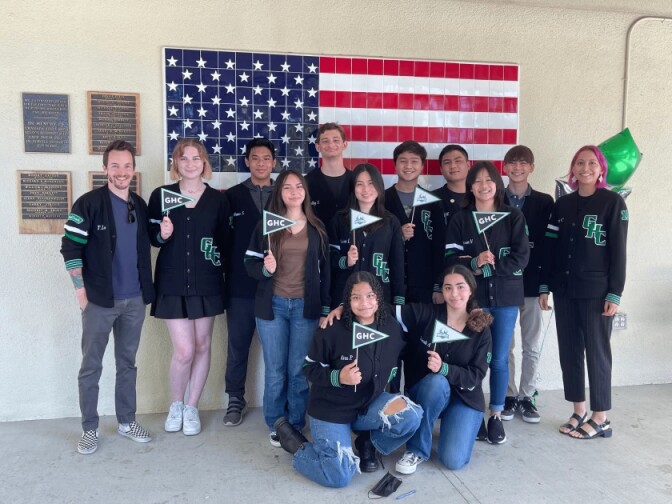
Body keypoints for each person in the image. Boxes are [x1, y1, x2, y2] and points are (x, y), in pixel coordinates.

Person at [273, 272, 422, 488]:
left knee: (412, 415)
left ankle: (367, 443)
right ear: (347, 300)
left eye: (370, 296)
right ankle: (298, 447)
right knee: (341, 476)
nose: (364, 303)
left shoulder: (391, 326)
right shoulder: (331, 328)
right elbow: (308, 368)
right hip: (331, 411)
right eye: (356, 298)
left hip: (367, 406)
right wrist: (338, 376)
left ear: (378, 297)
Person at [61, 140, 155, 454]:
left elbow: (148, 242)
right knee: (91, 367)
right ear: (104, 169)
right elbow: (70, 247)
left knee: (127, 364)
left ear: (133, 169)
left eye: (127, 165)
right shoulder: (87, 204)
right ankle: (90, 428)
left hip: (135, 300)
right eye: (114, 165)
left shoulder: (139, 204)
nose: (121, 171)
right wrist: (80, 291)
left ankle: (127, 422)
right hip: (100, 301)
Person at [539, 145, 627, 440]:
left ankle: (600, 417)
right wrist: (544, 286)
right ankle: (578, 410)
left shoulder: (612, 203)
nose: (585, 167)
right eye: (579, 162)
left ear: (601, 169)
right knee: (570, 352)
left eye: (592, 163)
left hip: (596, 292)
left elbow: (619, 252)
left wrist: (614, 293)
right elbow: (550, 248)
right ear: (572, 169)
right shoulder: (562, 205)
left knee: (597, 353)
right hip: (564, 291)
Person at [148, 138, 229, 436]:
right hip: (172, 281)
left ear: (204, 162)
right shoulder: (161, 195)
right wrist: (162, 234)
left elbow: (224, 243)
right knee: (183, 350)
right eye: (184, 158)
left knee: (203, 345)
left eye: (196, 158)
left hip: (206, 282)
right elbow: (151, 238)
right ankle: (176, 404)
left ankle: (192, 407)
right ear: (176, 163)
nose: (191, 163)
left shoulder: (218, 200)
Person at [445, 161, 529, 444]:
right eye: (477, 180)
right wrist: (474, 263)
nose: (483, 185)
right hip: (473, 300)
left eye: (489, 179)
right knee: (472, 357)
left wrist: (493, 267)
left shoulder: (513, 216)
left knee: (500, 358)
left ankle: (496, 414)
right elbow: (449, 259)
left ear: (497, 184)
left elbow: (521, 257)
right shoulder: (460, 218)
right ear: (470, 186)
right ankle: (473, 412)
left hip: (506, 299)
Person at [245, 169, 331, 447]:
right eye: (287, 188)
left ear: (305, 192)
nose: (294, 192)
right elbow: (249, 264)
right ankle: (276, 423)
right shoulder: (267, 225)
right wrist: (265, 270)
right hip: (273, 307)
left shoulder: (316, 227)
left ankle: (295, 423)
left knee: (298, 370)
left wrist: (325, 307)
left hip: (305, 308)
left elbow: (326, 272)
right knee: (275, 370)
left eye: (299, 187)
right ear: (279, 193)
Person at [394, 265, 492, 474]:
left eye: (460, 287)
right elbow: (385, 311)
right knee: (436, 382)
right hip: (430, 391)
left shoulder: (481, 329)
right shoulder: (428, 313)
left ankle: (456, 423)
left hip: (464, 397)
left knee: (452, 460)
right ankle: (416, 450)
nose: (454, 294)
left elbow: (476, 376)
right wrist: (344, 308)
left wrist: (444, 368)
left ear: (471, 290)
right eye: (448, 288)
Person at [222, 138, 275, 427]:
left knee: (276, 352)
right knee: (238, 346)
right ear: (247, 161)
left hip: (277, 289)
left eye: (266, 158)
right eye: (255, 158)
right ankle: (235, 399)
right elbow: (224, 242)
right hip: (240, 288)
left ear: (274, 162)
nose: (261, 163)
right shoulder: (231, 197)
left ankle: (277, 403)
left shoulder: (287, 195)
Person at [501, 145, 554, 424]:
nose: (517, 168)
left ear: (532, 167)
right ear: (505, 167)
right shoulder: (495, 198)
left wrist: (545, 286)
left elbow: (548, 247)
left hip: (533, 285)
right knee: (505, 346)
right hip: (504, 285)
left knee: (531, 345)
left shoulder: (545, 202)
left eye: (523, 163)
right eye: (512, 163)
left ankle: (527, 395)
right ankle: (508, 395)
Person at [328, 163, 405, 307]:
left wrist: (398, 302)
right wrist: (346, 261)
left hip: (380, 298)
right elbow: (328, 259)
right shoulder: (339, 220)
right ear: (352, 188)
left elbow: (397, 265)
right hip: (344, 299)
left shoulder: (391, 221)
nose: (366, 190)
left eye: (371, 183)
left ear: (379, 186)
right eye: (359, 184)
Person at [384, 141, 445, 304]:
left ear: (422, 166)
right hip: (389, 284)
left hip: (424, 284)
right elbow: (372, 242)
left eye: (414, 161)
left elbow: (440, 246)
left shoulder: (433, 202)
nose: (408, 166)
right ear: (395, 165)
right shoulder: (382, 200)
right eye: (403, 161)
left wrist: (438, 286)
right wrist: (398, 236)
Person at [305, 122, 353, 229]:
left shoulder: (356, 181)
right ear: (318, 147)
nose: (331, 145)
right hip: (318, 243)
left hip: (352, 244)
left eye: (336, 140)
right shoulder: (306, 182)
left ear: (344, 145)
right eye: (325, 141)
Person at [432, 144, 470, 226]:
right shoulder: (431, 200)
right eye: (447, 162)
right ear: (441, 169)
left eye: (458, 161)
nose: (453, 166)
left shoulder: (480, 196)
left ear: (468, 165)